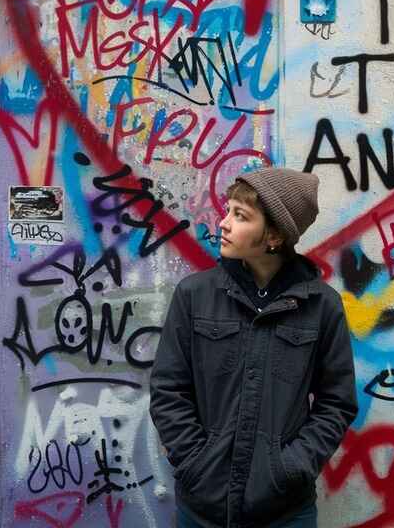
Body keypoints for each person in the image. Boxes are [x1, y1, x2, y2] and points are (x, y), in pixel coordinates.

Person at [150, 167, 358, 528]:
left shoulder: (321, 306)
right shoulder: (195, 295)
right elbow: (168, 389)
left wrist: (290, 468)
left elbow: (336, 403)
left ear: (274, 235)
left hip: (284, 511)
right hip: (203, 509)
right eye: (228, 210)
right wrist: (196, 463)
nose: (224, 223)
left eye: (240, 216)